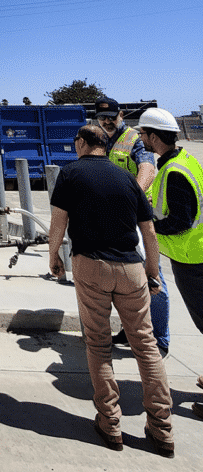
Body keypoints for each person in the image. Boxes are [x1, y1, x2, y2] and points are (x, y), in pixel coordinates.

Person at [48, 123, 173, 456]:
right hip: (131, 268)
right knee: (145, 345)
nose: (74, 147)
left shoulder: (70, 174)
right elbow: (148, 234)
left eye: (76, 142)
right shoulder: (127, 180)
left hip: (91, 265)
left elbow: (58, 221)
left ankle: (110, 422)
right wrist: (152, 274)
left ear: (84, 143)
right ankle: (162, 428)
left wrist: (54, 258)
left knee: (99, 344)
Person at [138, 107, 203, 423]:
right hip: (194, 256)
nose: (140, 139)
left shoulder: (174, 171)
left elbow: (180, 220)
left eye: (143, 134)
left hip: (194, 260)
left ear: (153, 136)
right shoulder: (181, 162)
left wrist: (147, 223)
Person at [94, 96, 170, 354]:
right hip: (111, 216)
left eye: (112, 117)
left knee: (152, 275)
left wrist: (131, 197)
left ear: (122, 115)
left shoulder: (134, 140)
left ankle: (160, 339)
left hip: (135, 214)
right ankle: (130, 331)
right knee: (125, 278)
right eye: (102, 118)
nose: (107, 122)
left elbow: (147, 169)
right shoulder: (101, 140)